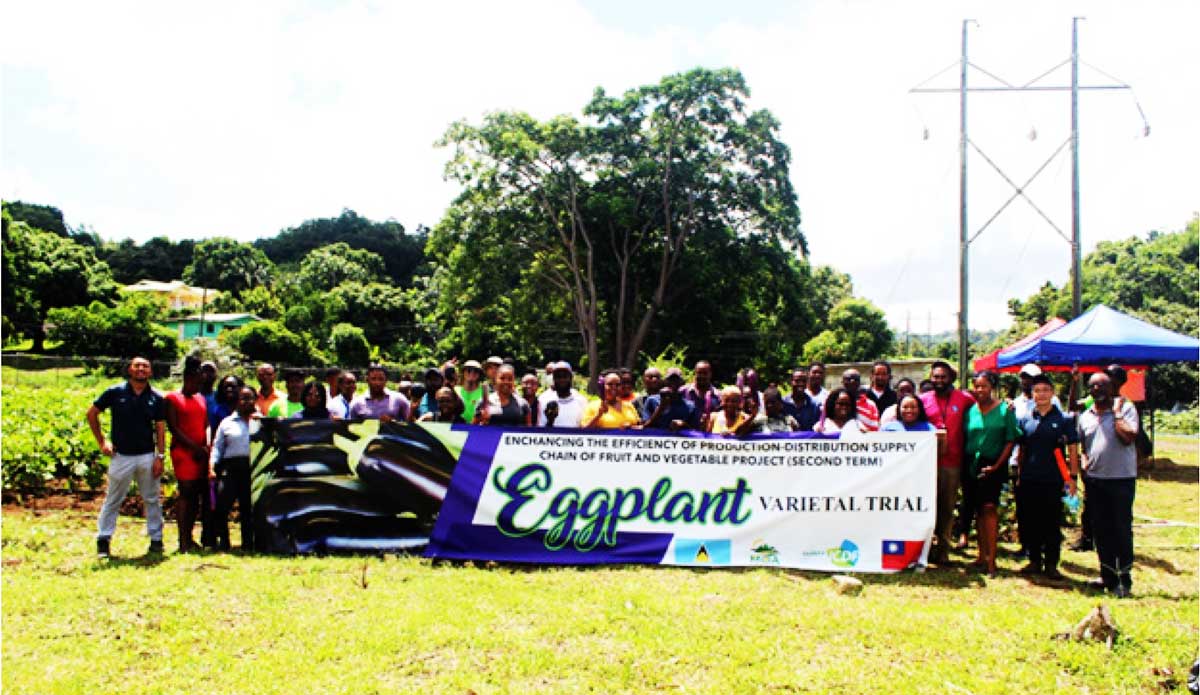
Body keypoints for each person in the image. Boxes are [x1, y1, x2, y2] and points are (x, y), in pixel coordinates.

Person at [87, 356, 167, 558]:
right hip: (121, 456)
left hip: (147, 456)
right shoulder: (115, 392)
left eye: (145, 366)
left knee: (152, 499)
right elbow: (92, 413)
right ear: (130, 370)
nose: (141, 369)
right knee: (113, 499)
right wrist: (102, 441)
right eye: (137, 365)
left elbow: (160, 428)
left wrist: (160, 456)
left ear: (150, 372)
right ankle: (103, 540)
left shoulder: (156, 397)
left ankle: (156, 540)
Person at [1077, 372, 1139, 597]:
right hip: (1095, 481)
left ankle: (1123, 580)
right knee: (1101, 531)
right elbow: (1084, 447)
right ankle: (1107, 575)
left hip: (1121, 480)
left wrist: (1116, 413)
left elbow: (1129, 436)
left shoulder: (1126, 409)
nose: (1098, 390)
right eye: (1093, 386)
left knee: (1121, 530)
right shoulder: (1086, 416)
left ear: (1112, 387)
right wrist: (1085, 464)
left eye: (1103, 386)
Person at [1016, 374, 1079, 580]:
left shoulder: (1064, 420)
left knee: (1051, 523)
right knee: (1030, 521)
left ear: (1052, 393)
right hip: (1029, 478)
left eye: (1045, 390)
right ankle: (1034, 560)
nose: (1041, 394)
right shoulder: (1026, 419)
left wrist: (1072, 477)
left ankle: (1051, 563)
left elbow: (1072, 449)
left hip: (1053, 479)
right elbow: (1022, 450)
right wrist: (1019, 475)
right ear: (1032, 395)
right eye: (1037, 391)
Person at [962, 371, 1021, 577]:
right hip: (971, 464)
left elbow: (1011, 439)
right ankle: (980, 556)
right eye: (977, 386)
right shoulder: (970, 411)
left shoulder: (1005, 410)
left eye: (984, 386)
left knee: (989, 509)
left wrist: (997, 465)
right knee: (978, 509)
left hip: (994, 464)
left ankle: (992, 561)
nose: (980, 390)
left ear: (992, 387)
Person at [919, 360, 977, 564]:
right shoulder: (923, 399)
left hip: (952, 462)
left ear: (951, 378)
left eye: (943, 377)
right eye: (935, 377)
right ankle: (923, 550)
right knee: (926, 506)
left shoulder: (965, 399)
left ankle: (943, 550)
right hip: (926, 463)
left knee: (946, 507)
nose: (939, 381)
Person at [165, 357, 210, 554]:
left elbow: (206, 423)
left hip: (201, 451)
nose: (201, 382)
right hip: (184, 452)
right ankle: (183, 541)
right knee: (186, 492)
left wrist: (206, 443)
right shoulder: (172, 398)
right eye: (198, 378)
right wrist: (195, 448)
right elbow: (174, 429)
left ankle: (190, 537)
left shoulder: (200, 398)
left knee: (196, 496)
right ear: (189, 377)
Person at [209, 385, 258, 551]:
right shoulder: (227, 422)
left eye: (249, 398)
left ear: (255, 400)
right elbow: (217, 447)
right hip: (230, 468)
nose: (246, 401)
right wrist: (212, 467)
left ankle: (248, 543)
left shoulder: (261, 421)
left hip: (252, 468)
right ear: (237, 401)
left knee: (248, 508)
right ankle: (224, 542)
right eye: (243, 398)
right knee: (222, 506)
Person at [538, 361, 588, 428]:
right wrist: (550, 421)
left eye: (565, 376)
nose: (562, 380)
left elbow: (584, 429)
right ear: (553, 379)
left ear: (570, 378)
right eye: (558, 376)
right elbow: (540, 431)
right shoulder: (544, 399)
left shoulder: (581, 401)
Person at [682, 360, 721, 429]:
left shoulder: (718, 396)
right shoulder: (683, 391)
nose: (702, 376)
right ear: (695, 373)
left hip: (709, 436)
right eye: (699, 373)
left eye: (705, 373)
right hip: (686, 435)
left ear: (710, 374)